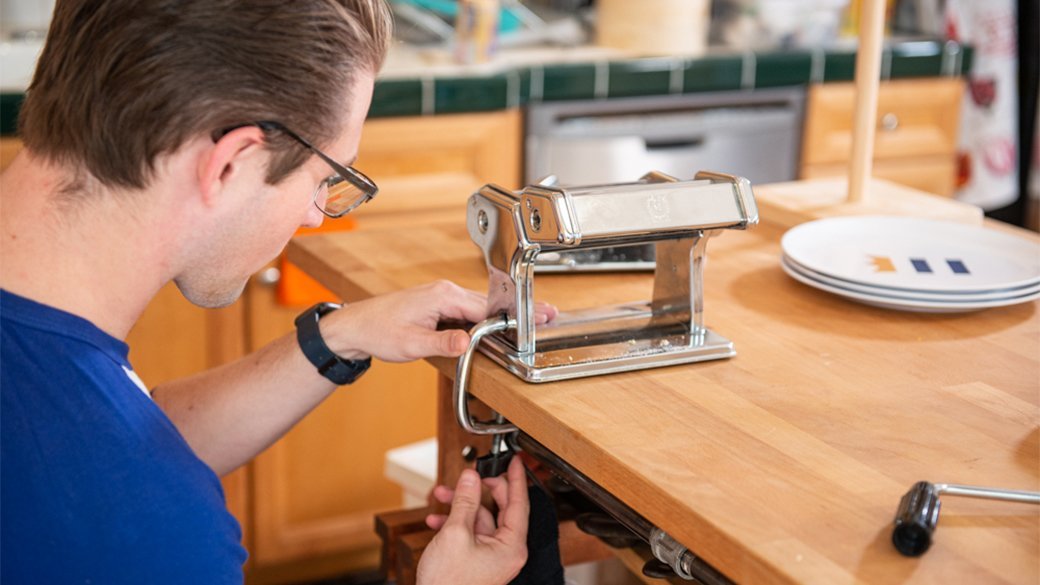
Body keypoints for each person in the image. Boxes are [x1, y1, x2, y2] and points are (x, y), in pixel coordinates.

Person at [0, 1, 555, 583]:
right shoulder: (151, 538)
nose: (316, 215)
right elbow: (116, 476)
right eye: (325, 179)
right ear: (232, 163)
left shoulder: (71, 425)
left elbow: (127, 429)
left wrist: (339, 337)